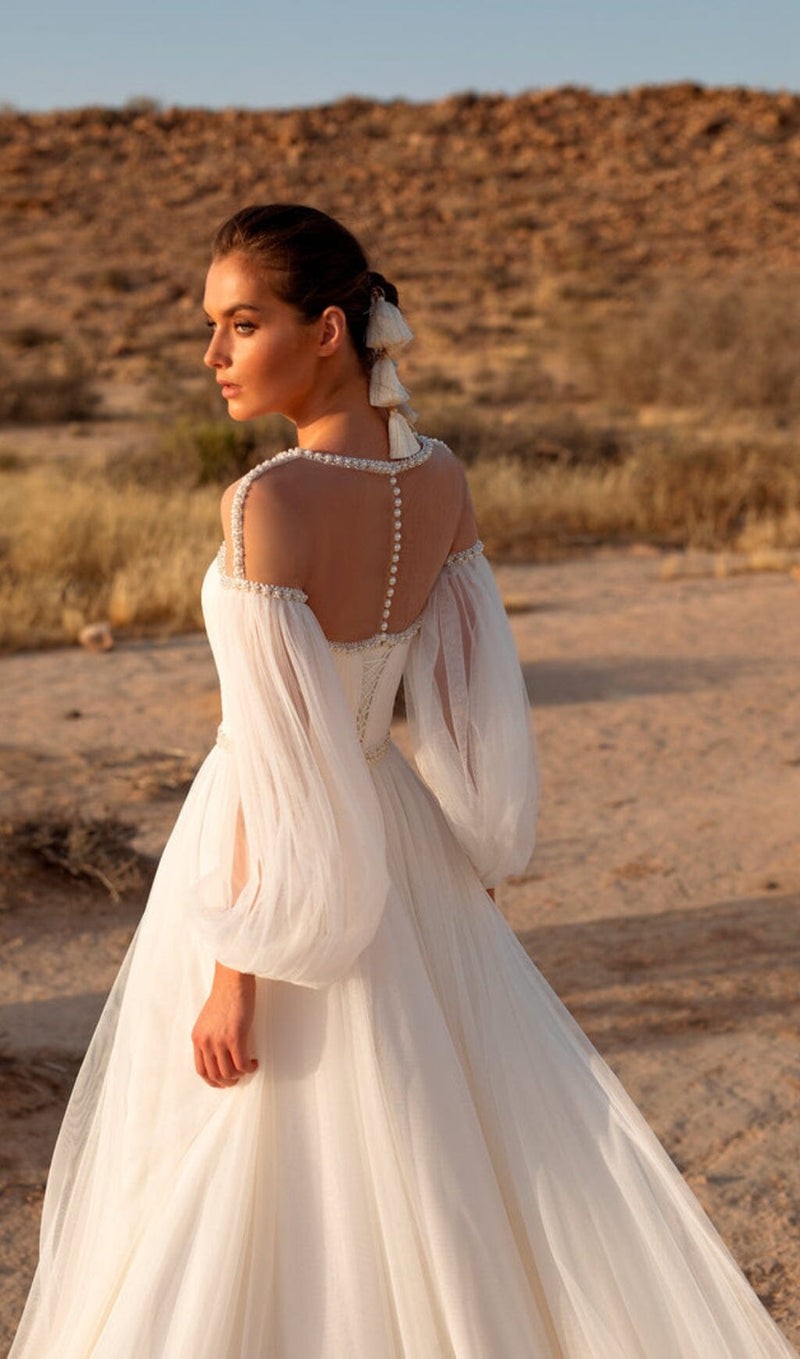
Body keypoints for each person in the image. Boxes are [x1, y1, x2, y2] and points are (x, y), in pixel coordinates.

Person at [10, 203, 797, 1358]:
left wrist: (240, 968)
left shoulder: (265, 501)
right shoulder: (439, 479)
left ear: (327, 328)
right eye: (211, 328)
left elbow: (280, 760)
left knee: (247, 1147)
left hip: (274, 856)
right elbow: (464, 701)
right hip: (403, 835)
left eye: (241, 324)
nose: (213, 356)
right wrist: (471, 854)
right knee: (434, 1139)